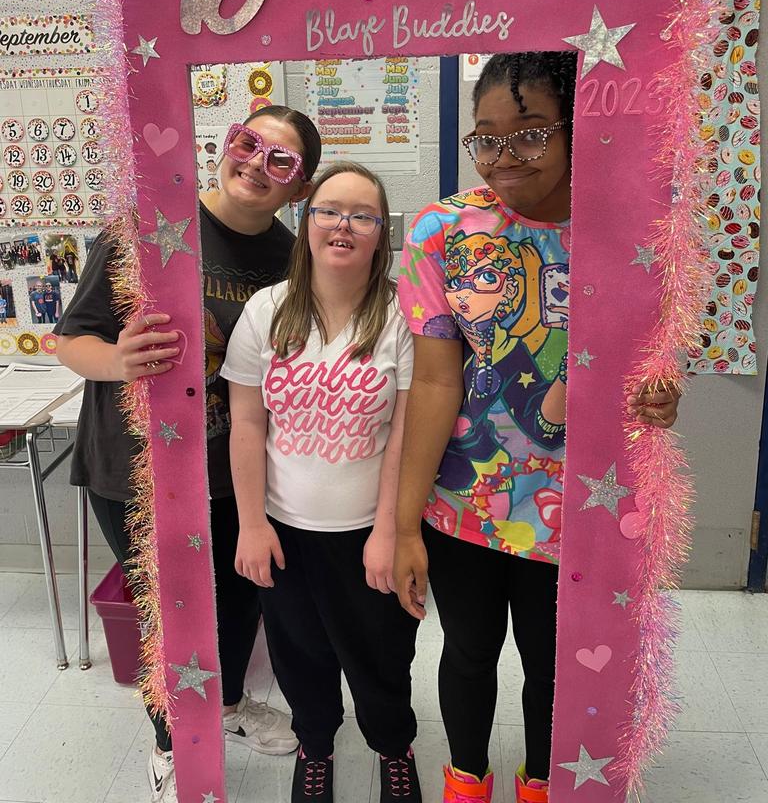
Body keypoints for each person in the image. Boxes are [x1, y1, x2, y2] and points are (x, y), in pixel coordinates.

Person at [394, 52, 681, 803]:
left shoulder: (630, 231)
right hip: (465, 498)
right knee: (468, 651)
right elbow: (435, 381)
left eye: (529, 132)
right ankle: (465, 782)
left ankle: (541, 786)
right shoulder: (443, 230)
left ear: (575, 128)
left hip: (580, 505)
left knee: (554, 665)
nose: (503, 156)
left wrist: (657, 398)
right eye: (486, 138)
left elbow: (644, 370)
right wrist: (402, 524)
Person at [55, 106, 322, 803]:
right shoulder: (146, 228)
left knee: (237, 600)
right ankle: (171, 741)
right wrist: (118, 361)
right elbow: (71, 339)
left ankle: (226, 706)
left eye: (281, 160)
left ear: (298, 187)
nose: (257, 164)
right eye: (248, 143)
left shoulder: (293, 258)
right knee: (164, 614)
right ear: (225, 144)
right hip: (134, 469)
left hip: (235, 471)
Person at [223, 161, 422, 803]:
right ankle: (315, 749)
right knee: (299, 655)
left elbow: (404, 437)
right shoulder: (266, 311)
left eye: (363, 216)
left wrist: (390, 532)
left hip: (368, 533)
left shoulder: (402, 316)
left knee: (381, 657)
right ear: (305, 221)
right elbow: (247, 423)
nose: (343, 225)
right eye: (329, 210)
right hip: (283, 532)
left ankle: (393, 749)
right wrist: (252, 524)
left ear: (382, 233)